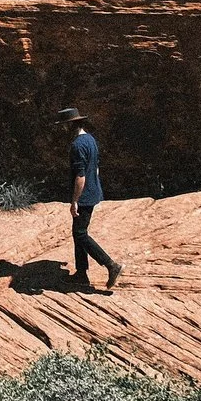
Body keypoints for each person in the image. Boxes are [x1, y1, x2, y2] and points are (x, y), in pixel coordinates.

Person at [58, 106, 123, 289]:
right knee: (78, 233)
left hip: (84, 196)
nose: (62, 129)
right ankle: (81, 273)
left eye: (64, 125)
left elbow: (81, 176)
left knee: (80, 233)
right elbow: (95, 167)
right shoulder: (90, 140)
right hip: (93, 192)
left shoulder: (77, 145)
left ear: (71, 125)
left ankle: (111, 265)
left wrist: (75, 201)